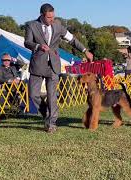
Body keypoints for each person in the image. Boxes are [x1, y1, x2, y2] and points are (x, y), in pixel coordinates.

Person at [24, 3, 93, 133]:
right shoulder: (31, 25)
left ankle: (51, 123)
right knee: (33, 94)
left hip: (53, 65)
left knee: (52, 96)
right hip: (38, 65)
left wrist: (85, 50)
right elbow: (27, 42)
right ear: (41, 16)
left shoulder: (57, 25)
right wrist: (38, 46)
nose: (52, 20)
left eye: (53, 16)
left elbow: (72, 39)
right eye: (49, 17)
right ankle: (47, 115)